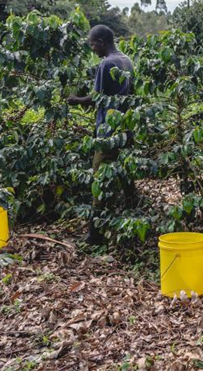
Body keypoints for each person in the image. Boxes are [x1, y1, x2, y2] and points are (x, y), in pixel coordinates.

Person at [67, 25, 134, 245]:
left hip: (107, 132)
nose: (92, 48)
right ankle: (131, 221)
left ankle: (94, 234)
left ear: (102, 42)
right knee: (125, 176)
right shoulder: (127, 60)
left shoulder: (106, 63)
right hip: (126, 128)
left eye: (92, 44)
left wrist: (76, 100)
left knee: (100, 180)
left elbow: (97, 97)